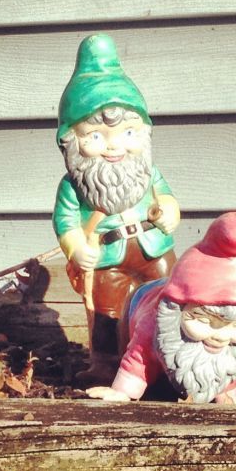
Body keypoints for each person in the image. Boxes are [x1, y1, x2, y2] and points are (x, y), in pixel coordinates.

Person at [53, 34, 180, 385]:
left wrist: (169, 211)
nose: (114, 147)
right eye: (95, 137)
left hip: (155, 250)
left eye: (128, 133)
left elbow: (166, 197)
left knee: (168, 299)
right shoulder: (73, 186)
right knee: (107, 313)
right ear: (70, 140)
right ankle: (106, 366)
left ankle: (163, 359)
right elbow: (65, 222)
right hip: (107, 258)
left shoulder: (148, 173)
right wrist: (76, 248)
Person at [86, 212, 236, 404]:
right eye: (205, 320)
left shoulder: (230, 342)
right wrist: (122, 392)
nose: (221, 336)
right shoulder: (151, 324)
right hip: (140, 301)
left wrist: (228, 396)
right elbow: (138, 358)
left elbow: (227, 363)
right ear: (178, 309)